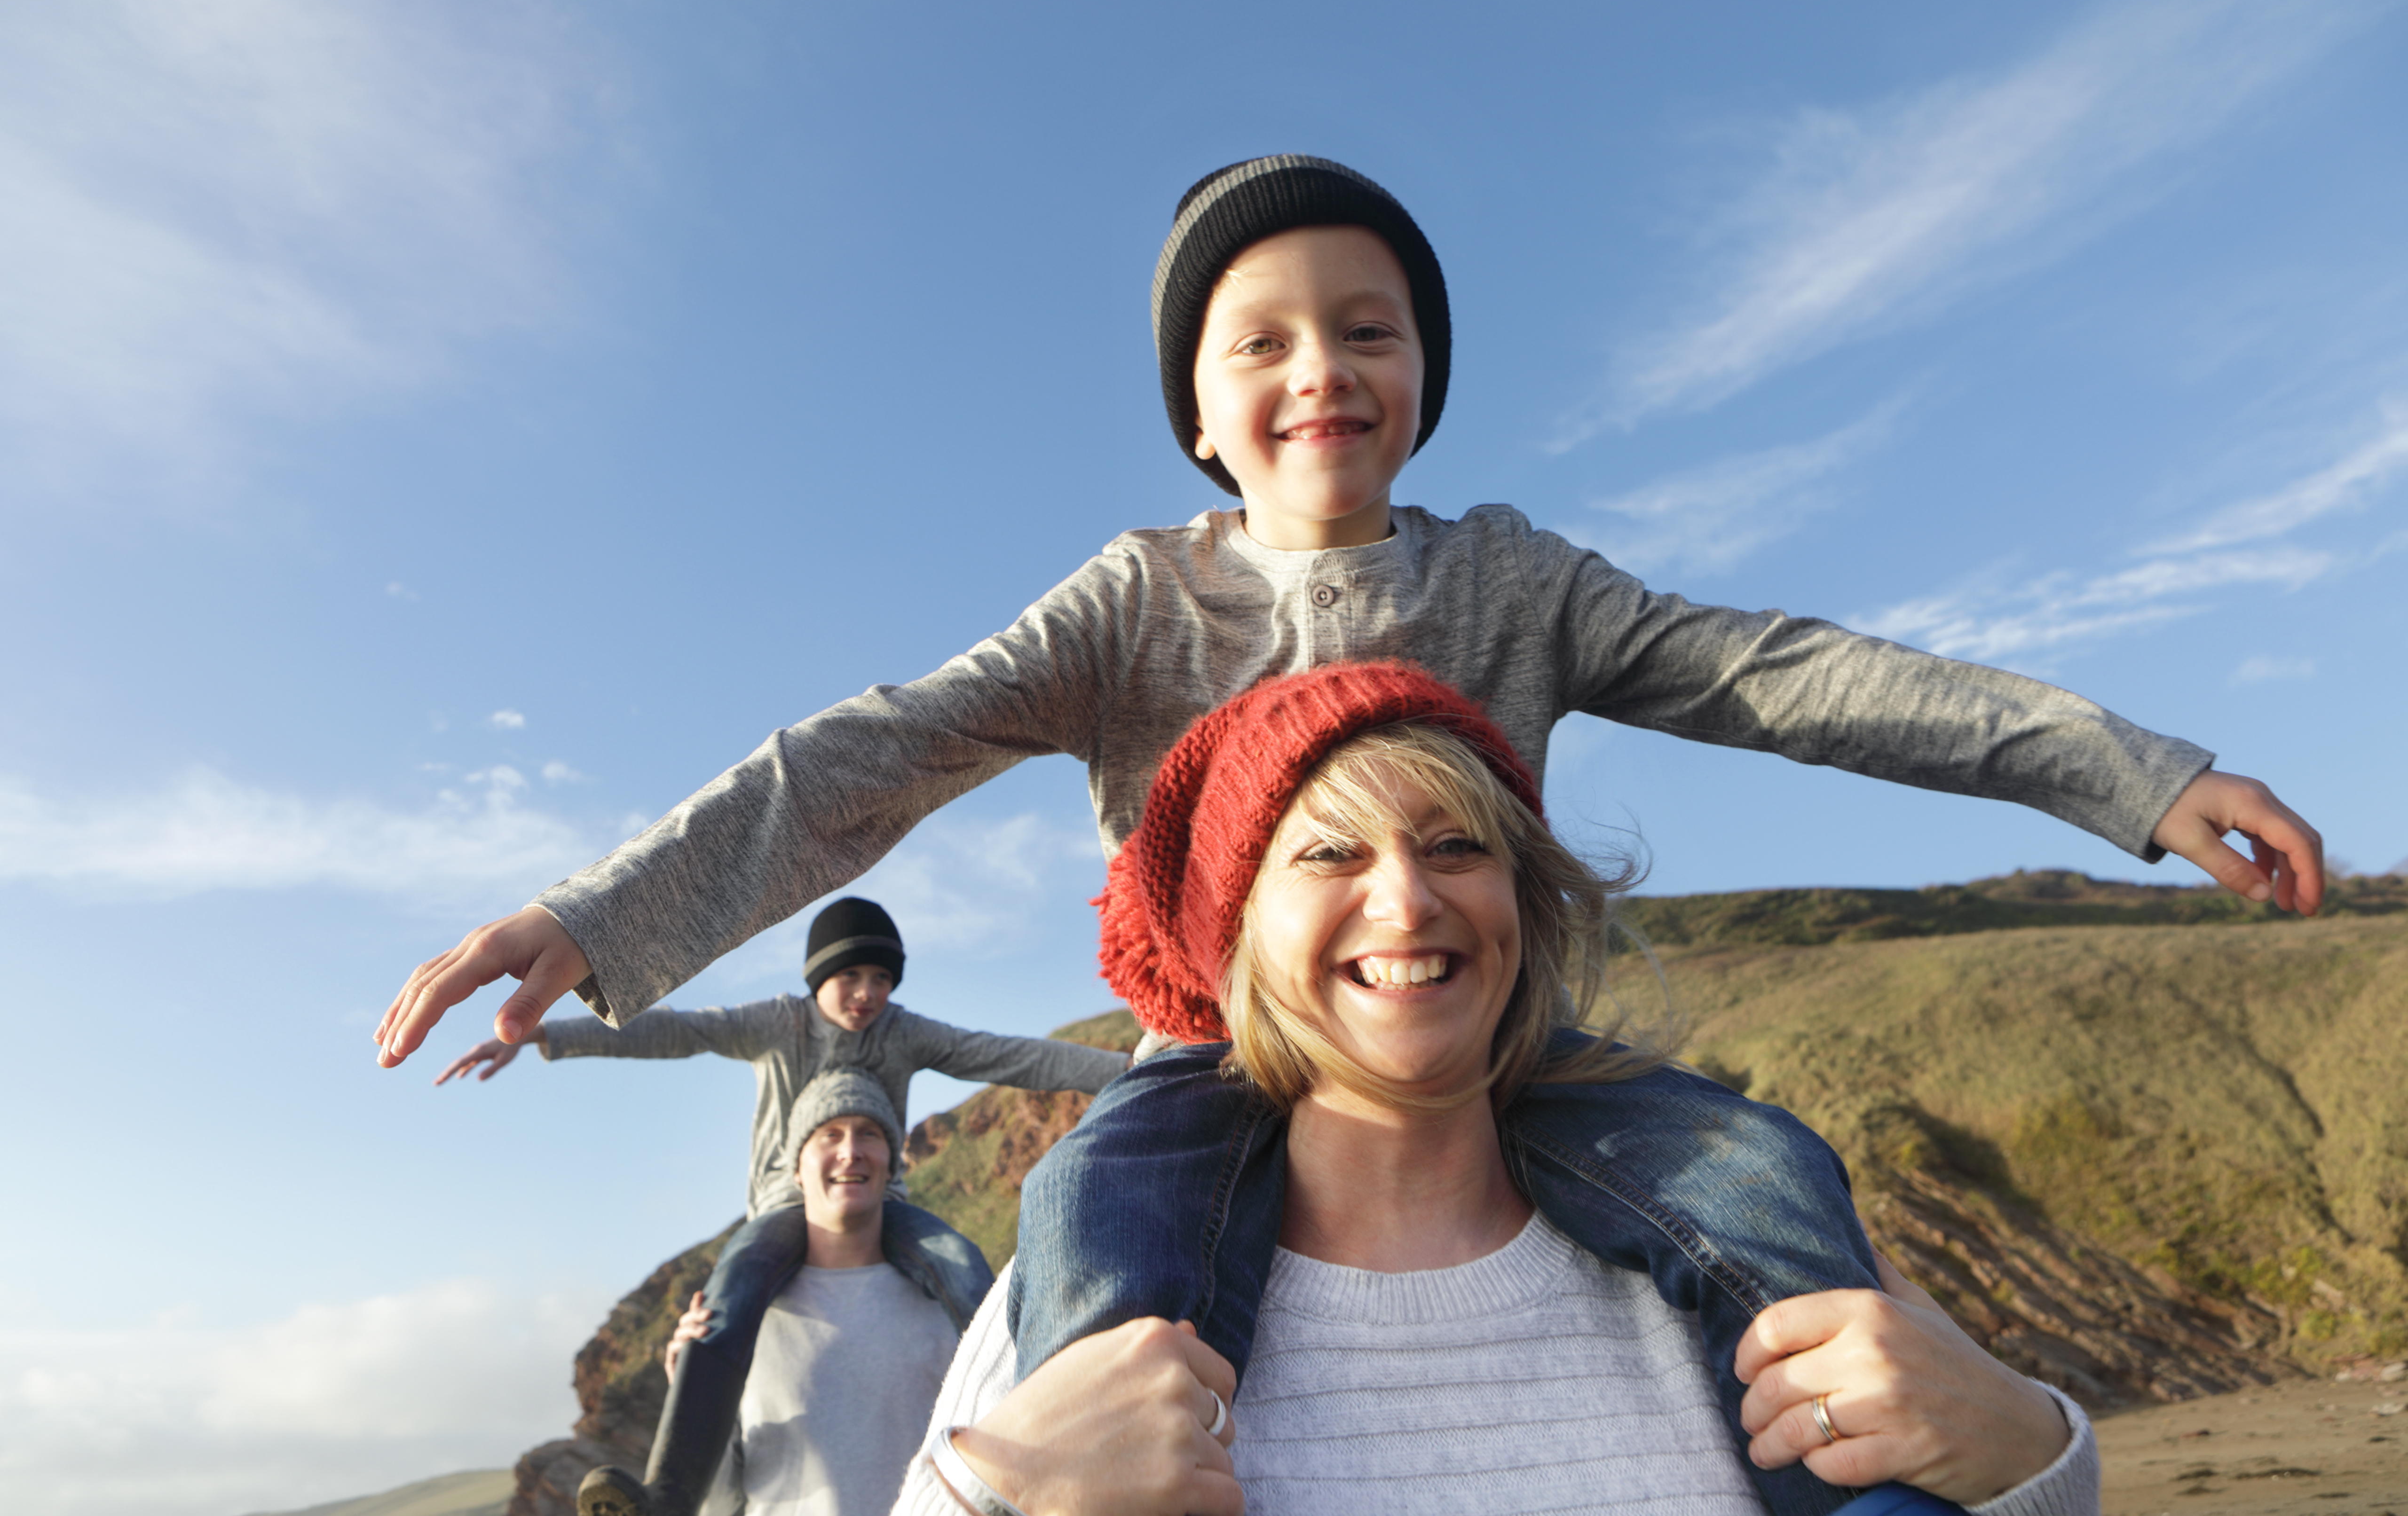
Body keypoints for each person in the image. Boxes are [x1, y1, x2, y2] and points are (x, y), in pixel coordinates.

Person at [375, 152, 2292, 1502]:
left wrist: (2125, 773)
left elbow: (1780, 670)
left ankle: (1852, 1485)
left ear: (1424, 376)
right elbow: (866, 755)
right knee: (1082, 1227)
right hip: (1217, 1063)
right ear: (1198, 411)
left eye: (1364, 329)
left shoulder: (1516, 583)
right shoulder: (1131, 602)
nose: (1318, 370)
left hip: (1503, 1055)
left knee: (1760, 1173)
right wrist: (601, 917)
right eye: (1260, 341)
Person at [895, 662, 2097, 1516]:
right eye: (1328, 852)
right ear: (1234, 936)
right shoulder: (1070, 1298)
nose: (1408, 900)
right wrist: (991, 1500)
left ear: (1521, 901)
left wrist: (2035, 1461)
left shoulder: (1747, 1250)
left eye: (1457, 844)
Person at [436, 896, 1126, 1516]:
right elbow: (679, 1031)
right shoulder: (777, 1023)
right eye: (851, 977)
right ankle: (668, 1496)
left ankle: (1041, 1441)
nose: (866, 994)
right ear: (817, 976)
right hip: (780, 1207)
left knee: (965, 1268)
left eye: (882, 980)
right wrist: (548, 1036)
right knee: (724, 1308)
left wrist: (1129, 1070)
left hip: (882, 1201)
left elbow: (1006, 1057)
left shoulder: (905, 1032)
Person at [627, 1070, 977, 1516]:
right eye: (829, 1136)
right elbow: (720, 1503)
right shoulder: (741, 1320)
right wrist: (689, 1386)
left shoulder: (946, 1307)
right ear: (796, 1168)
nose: (850, 1152)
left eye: (868, 1135)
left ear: (892, 1165)